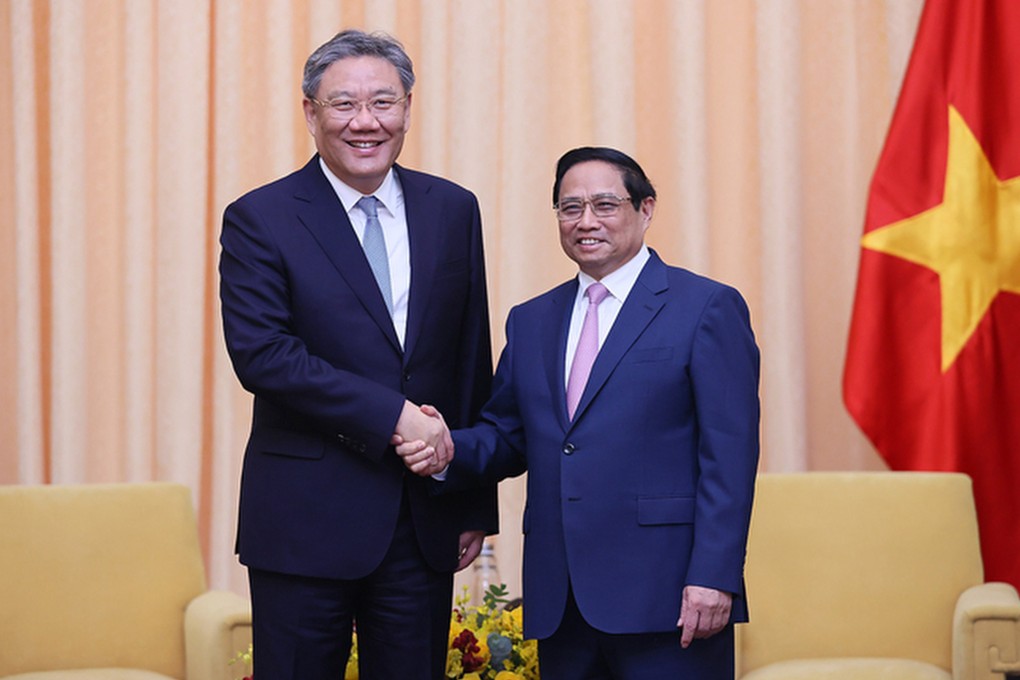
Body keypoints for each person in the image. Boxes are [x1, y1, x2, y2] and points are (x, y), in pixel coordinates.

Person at [399, 147, 760, 679]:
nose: (586, 221)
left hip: (669, 597)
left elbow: (729, 457)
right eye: (570, 208)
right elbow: (508, 434)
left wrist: (714, 576)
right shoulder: (532, 320)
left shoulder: (705, 306)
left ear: (646, 208)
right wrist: (444, 446)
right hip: (561, 599)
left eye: (605, 204)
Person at [218, 29, 496, 680]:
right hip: (303, 516)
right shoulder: (261, 217)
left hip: (421, 517)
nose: (365, 122)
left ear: (407, 109)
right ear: (310, 113)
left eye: (384, 103)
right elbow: (264, 355)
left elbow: (468, 358)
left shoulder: (453, 210)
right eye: (343, 105)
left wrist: (471, 500)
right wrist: (394, 416)